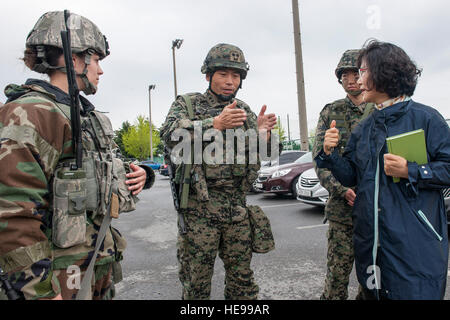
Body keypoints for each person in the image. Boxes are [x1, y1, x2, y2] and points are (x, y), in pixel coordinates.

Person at [0, 11, 154, 300]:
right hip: (56, 282)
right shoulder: (31, 114)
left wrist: (142, 174)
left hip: (94, 269)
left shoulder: (86, 116)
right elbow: (12, 213)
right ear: (73, 60)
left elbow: (108, 169)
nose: (100, 69)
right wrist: (39, 292)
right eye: (95, 59)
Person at [316, 39, 450, 300]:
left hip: (414, 244)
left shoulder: (426, 118)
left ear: (384, 72)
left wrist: (411, 170)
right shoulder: (365, 128)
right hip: (371, 243)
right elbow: (351, 175)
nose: (358, 79)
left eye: (363, 71)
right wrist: (329, 154)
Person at [160, 43, 277, 300]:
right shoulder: (189, 104)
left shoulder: (244, 111)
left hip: (236, 209)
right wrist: (214, 123)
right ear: (208, 75)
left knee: (242, 283)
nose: (229, 81)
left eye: (235, 76)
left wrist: (262, 136)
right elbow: (169, 135)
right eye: (223, 74)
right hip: (199, 210)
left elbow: (260, 156)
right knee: (196, 283)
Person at [312, 49, 374, 300]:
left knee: (372, 275)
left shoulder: (380, 109)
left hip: (374, 210)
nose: (350, 79)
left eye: (356, 72)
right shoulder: (331, 112)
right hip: (342, 211)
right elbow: (320, 160)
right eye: (345, 74)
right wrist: (341, 190)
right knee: (337, 275)